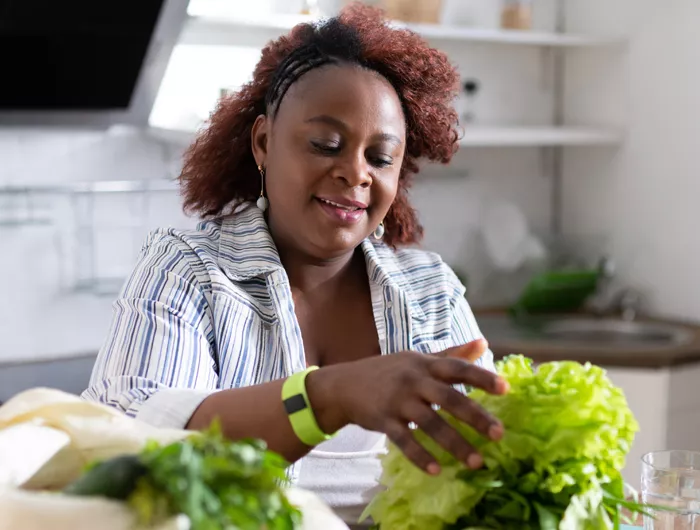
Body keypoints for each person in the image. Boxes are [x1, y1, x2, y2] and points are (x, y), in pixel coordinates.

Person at [82, 4, 508, 526]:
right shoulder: (187, 270)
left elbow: (491, 468)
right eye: (326, 144)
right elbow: (137, 446)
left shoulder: (432, 291)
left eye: (380, 158)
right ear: (264, 143)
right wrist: (329, 395)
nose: (356, 173)